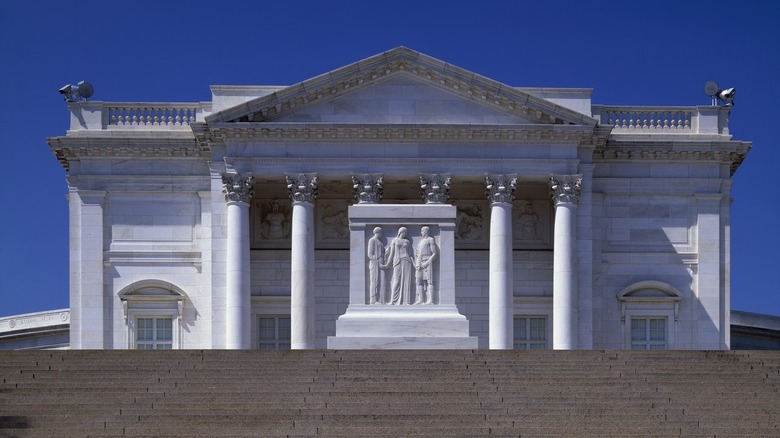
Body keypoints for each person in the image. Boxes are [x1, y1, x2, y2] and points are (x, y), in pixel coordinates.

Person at [382, 227, 415, 305]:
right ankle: (393, 300)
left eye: (406, 233)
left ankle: (406, 301)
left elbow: (410, 254)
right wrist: (387, 264)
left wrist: (414, 264)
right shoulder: (395, 241)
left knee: (407, 280)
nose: (405, 234)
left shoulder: (407, 241)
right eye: (404, 232)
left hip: (407, 261)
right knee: (396, 280)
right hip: (397, 261)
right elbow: (391, 254)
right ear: (400, 232)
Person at [414, 226, 437, 304]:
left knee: (429, 281)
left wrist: (427, 262)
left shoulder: (430, 240)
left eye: (422, 231)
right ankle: (421, 299)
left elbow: (434, 253)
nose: (421, 233)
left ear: (426, 231)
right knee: (418, 281)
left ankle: (430, 300)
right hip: (419, 262)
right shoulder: (421, 242)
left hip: (427, 262)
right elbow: (419, 254)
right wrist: (416, 253)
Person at [366, 227, 385, 305]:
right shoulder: (372, 240)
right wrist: (377, 261)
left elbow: (381, 253)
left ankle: (381, 300)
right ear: (378, 232)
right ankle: (373, 300)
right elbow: (370, 254)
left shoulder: (379, 242)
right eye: (381, 232)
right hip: (375, 263)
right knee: (374, 281)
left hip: (380, 264)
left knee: (382, 281)